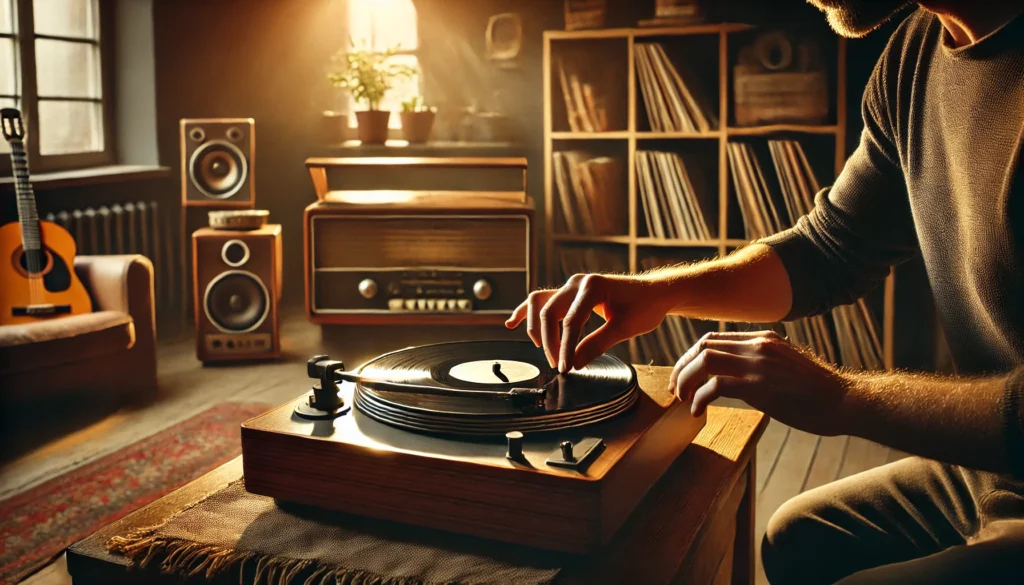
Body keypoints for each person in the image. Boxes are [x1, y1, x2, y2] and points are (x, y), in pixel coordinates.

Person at [506, 0, 1024, 582]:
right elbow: (829, 250)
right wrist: (658, 292)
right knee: (795, 539)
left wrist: (843, 397)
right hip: (987, 468)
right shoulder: (914, 53)